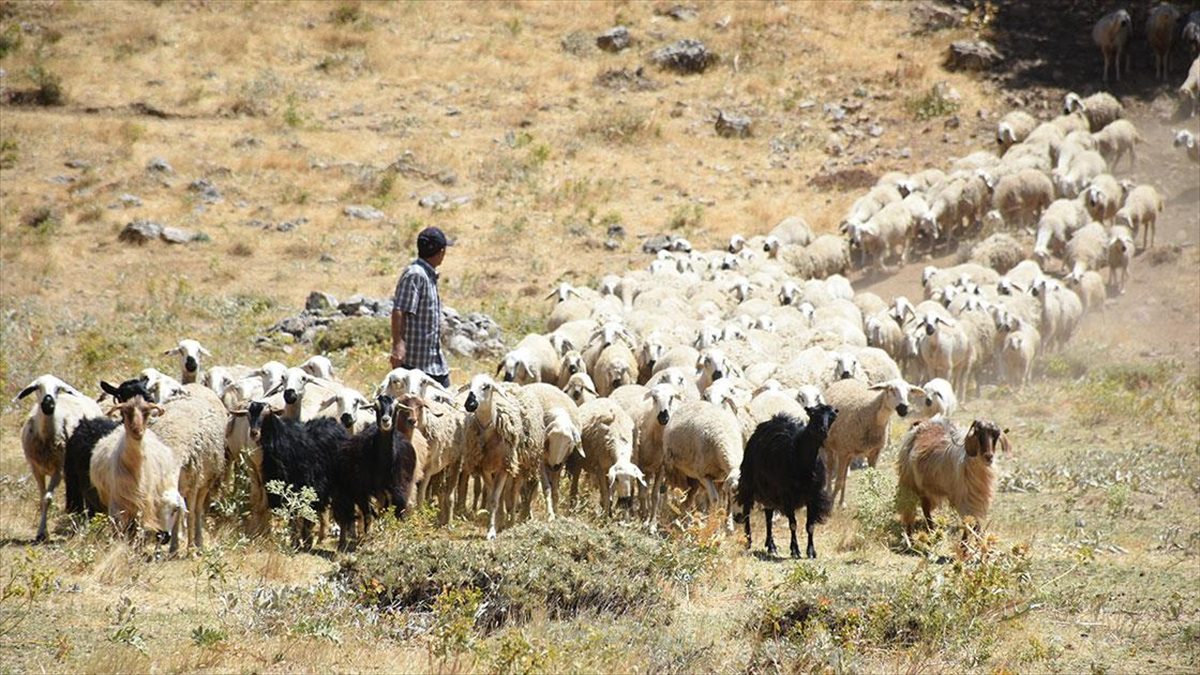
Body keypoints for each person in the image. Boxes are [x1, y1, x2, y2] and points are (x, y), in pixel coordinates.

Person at [390, 227, 452, 388]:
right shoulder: (416, 274)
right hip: (414, 363)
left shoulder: (427, 274)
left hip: (432, 360)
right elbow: (399, 310)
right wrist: (398, 345)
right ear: (441, 252)